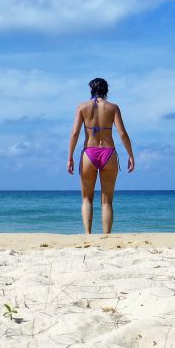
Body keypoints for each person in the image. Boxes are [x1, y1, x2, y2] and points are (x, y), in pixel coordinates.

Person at [67, 77, 135, 234]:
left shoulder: (82, 107)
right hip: (108, 153)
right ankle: (106, 236)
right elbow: (122, 133)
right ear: (106, 91)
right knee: (107, 201)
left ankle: (88, 235)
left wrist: (70, 156)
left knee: (86, 199)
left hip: (89, 153)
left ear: (91, 90)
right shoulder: (113, 108)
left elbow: (75, 133)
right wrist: (130, 155)